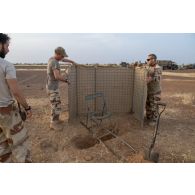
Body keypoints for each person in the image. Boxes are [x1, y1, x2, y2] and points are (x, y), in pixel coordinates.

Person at [0, 33, 32, 163]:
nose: (8, 49)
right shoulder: (6, 65)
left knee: (2, 148)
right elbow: (16, 92)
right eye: (7, 45)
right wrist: (27, 107)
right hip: (6, 112)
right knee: (20, 146)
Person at [46, 47, 76, 131]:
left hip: (51, 86)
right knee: (55, 105)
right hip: (52, 88)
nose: (63, 58)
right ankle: (53, 123)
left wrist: (72, 62)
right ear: (58, 54)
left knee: (57, 103)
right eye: (62, 56)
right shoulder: (54, 62)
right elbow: (57, 76)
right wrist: (66, 80)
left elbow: (63, 60)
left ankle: (56, 120)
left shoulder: (52, 59)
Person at [145, 54, 162, 126]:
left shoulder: (158, 68)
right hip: (148, 91)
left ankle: (155, 121)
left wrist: (146, 80)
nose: (147, 61)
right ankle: (149, 118)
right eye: (147, 60)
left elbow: (154, 79)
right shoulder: (148, 67)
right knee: (148, 105)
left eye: (149, 59)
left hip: (155, 91)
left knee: (154, 106)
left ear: (153, 59)